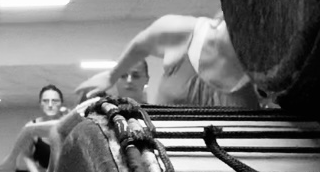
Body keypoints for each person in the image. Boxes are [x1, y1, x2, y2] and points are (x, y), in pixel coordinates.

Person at [80, 14, 256, 107]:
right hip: (171, 158)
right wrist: (112, 76)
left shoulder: (260, 65)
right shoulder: (180, 30)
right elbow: (141, 45)